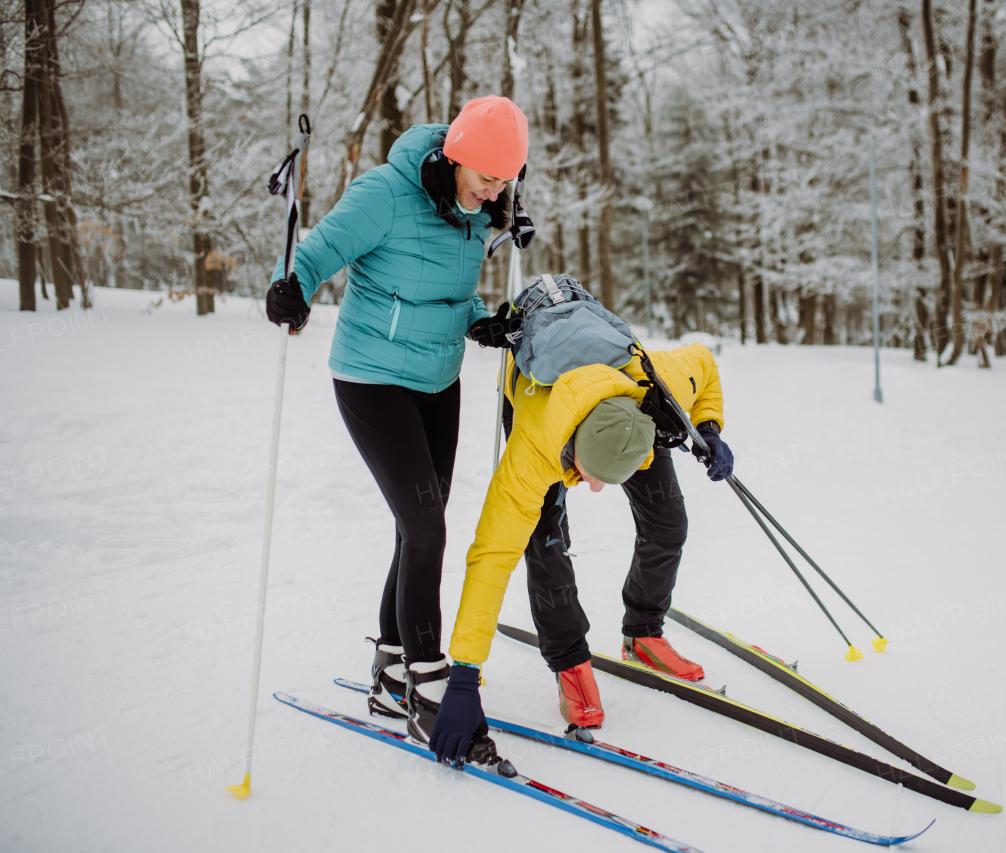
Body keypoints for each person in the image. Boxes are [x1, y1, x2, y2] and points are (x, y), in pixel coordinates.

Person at [265, 95, 530, 773]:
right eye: (484, 176)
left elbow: (455, 290)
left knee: (421, 523)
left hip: (438, 381)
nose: (492, 191)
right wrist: (288, 288)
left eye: (504, 181)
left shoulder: (479, 215)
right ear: (453, 154)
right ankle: (427, 683)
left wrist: (480, 321)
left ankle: (387, 668)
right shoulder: (386, 192)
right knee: (426, 527)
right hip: (372, 378)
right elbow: (315, 252)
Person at [424, 339, 735, 767]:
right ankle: (569, 661)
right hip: (537, 390)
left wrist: (709, 427)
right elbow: (493, 556)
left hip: (619, 395)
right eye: (590, 476)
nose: (595, 489)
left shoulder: (660, 386)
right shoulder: (533, 453)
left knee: (668, 521)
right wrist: (463, 673)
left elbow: (704, 360)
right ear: (573, 453)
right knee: (546, 540)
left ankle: (643, 632)